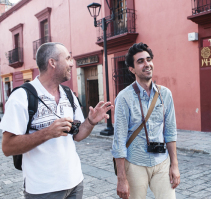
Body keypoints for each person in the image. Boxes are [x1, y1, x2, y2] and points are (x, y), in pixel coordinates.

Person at [0, 42, 113, 199]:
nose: (72, 63)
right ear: (52, 63)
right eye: (67, 58)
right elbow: (7, 147)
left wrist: (91, 121)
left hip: (75, 183)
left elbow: (78, 135)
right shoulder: (21, 97)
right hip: (42, 190)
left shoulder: (68, 94)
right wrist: (47, 132)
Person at [112, 43, 180, 199]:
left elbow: (170, 132)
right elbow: (119, 140)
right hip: (135, 163)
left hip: (162, 162)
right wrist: (121, 178)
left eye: (148, 59)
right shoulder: (124, 98)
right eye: (140, 61)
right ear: (132, 69)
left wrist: (174, 165)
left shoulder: (165, 94)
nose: (146, 64)